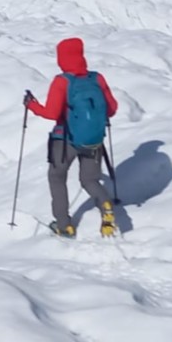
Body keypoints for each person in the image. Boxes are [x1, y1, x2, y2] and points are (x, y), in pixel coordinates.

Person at [24, 38, 119, 238]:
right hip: (93, 139)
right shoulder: (97, 79)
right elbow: (112, 109)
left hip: (65, 139)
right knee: (89, 180)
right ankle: (106, 205)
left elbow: (51, 113)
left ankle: (64, 225)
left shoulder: (62, 81)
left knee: (57, 178)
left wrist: (31, 105)